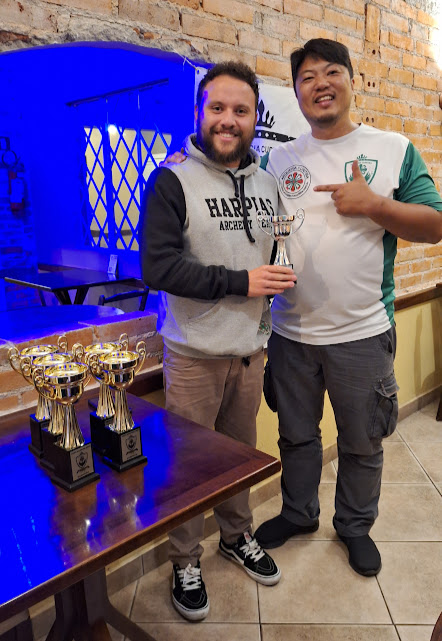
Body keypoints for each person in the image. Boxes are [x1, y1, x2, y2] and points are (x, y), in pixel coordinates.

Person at [254, 38, 442, 577]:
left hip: (362, 333)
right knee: (296, 437)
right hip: (290, 334)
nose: (320, 83)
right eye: (307, 76)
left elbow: (434, 225)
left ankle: (355, 526)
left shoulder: (393, 148)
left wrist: (375, 205)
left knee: (362, 442)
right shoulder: (277, 158)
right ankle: (298, 513)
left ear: (352, 81)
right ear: (297, 91)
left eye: (332, 71)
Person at [139, 61, 296, 621]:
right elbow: (158, 268)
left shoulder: (268, 184)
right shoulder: (171, 180)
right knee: (186, 467)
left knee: (238, 458)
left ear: (255, 119)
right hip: (193, 358)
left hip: (250, 353)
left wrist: (282, 275)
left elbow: (275, 251)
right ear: (199, 113)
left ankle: (236, 535)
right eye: (217, 108)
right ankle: (185, 559)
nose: (228, 120)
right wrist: (241, 282)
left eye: (241, 110)